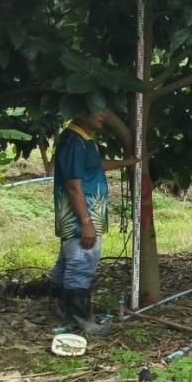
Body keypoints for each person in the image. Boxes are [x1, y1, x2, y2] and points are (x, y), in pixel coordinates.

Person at [51, 110, 136, 335]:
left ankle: (61, 309)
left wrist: (126, 162)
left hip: (81, 217)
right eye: (97, 112)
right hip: (80, 217)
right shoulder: (74, 142)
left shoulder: (82, 140)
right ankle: (81, 319)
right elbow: (73, 185)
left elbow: (94, 165)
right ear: (82, 112)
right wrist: (86, 222)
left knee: (68, 262)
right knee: (81, 263)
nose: (103, 117)